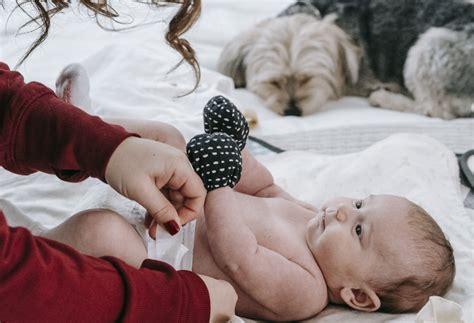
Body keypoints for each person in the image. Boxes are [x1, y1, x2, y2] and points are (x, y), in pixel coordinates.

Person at [43, 94, 456, 321]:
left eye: (359, 231)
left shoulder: (305, 292)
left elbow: (240, 257)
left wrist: (219, 183)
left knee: (102, 231)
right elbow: (265, 188)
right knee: (167, 137)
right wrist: (234, 150)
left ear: (358, 298)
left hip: (158, 251)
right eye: (361, 203)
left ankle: (28, 253)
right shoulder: (310, 216)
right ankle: (79, 128)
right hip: (177, 199)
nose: (345, 211)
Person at [0, 0, 238, 321]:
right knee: (103, 231)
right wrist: (180, 303)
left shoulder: (310, 289)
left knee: (160, 145)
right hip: (161, 246)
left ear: (334, 293)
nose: (333, 208)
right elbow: (240, 256)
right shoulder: (303, 280)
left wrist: (107, 147)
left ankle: (91, 119)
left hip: (161, 238)